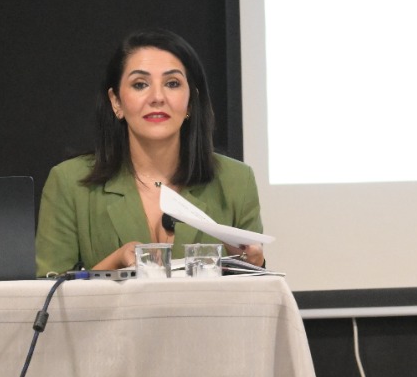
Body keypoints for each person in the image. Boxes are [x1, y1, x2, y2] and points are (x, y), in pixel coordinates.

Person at [35, 29, 264, 275]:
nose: (157, 97)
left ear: (190, 101)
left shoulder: (236, 181)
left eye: (172, 84)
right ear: (116, 102)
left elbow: (256, 288)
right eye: (140, 84)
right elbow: (49, 291)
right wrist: (116, 262)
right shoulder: (70, 183)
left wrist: (254, 263)